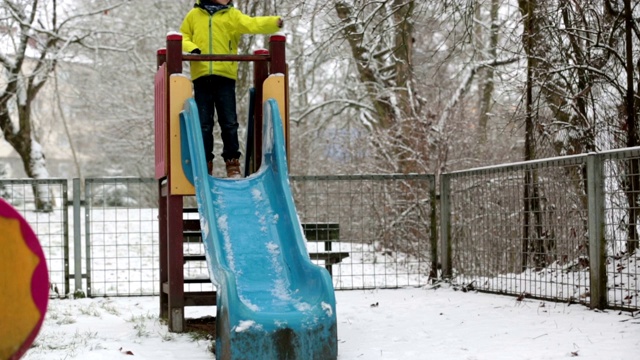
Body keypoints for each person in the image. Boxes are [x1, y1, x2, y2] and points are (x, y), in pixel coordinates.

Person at [180, 0, 283, 178]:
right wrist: (192, 48)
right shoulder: (194, 15)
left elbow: (251, 24)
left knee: (229, 121)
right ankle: (205, 162)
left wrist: (274, 23)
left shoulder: (232, 15)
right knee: (204, 123)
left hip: (225, 75)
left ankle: (232, 162)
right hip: (201, 75)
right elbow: (182, 36)